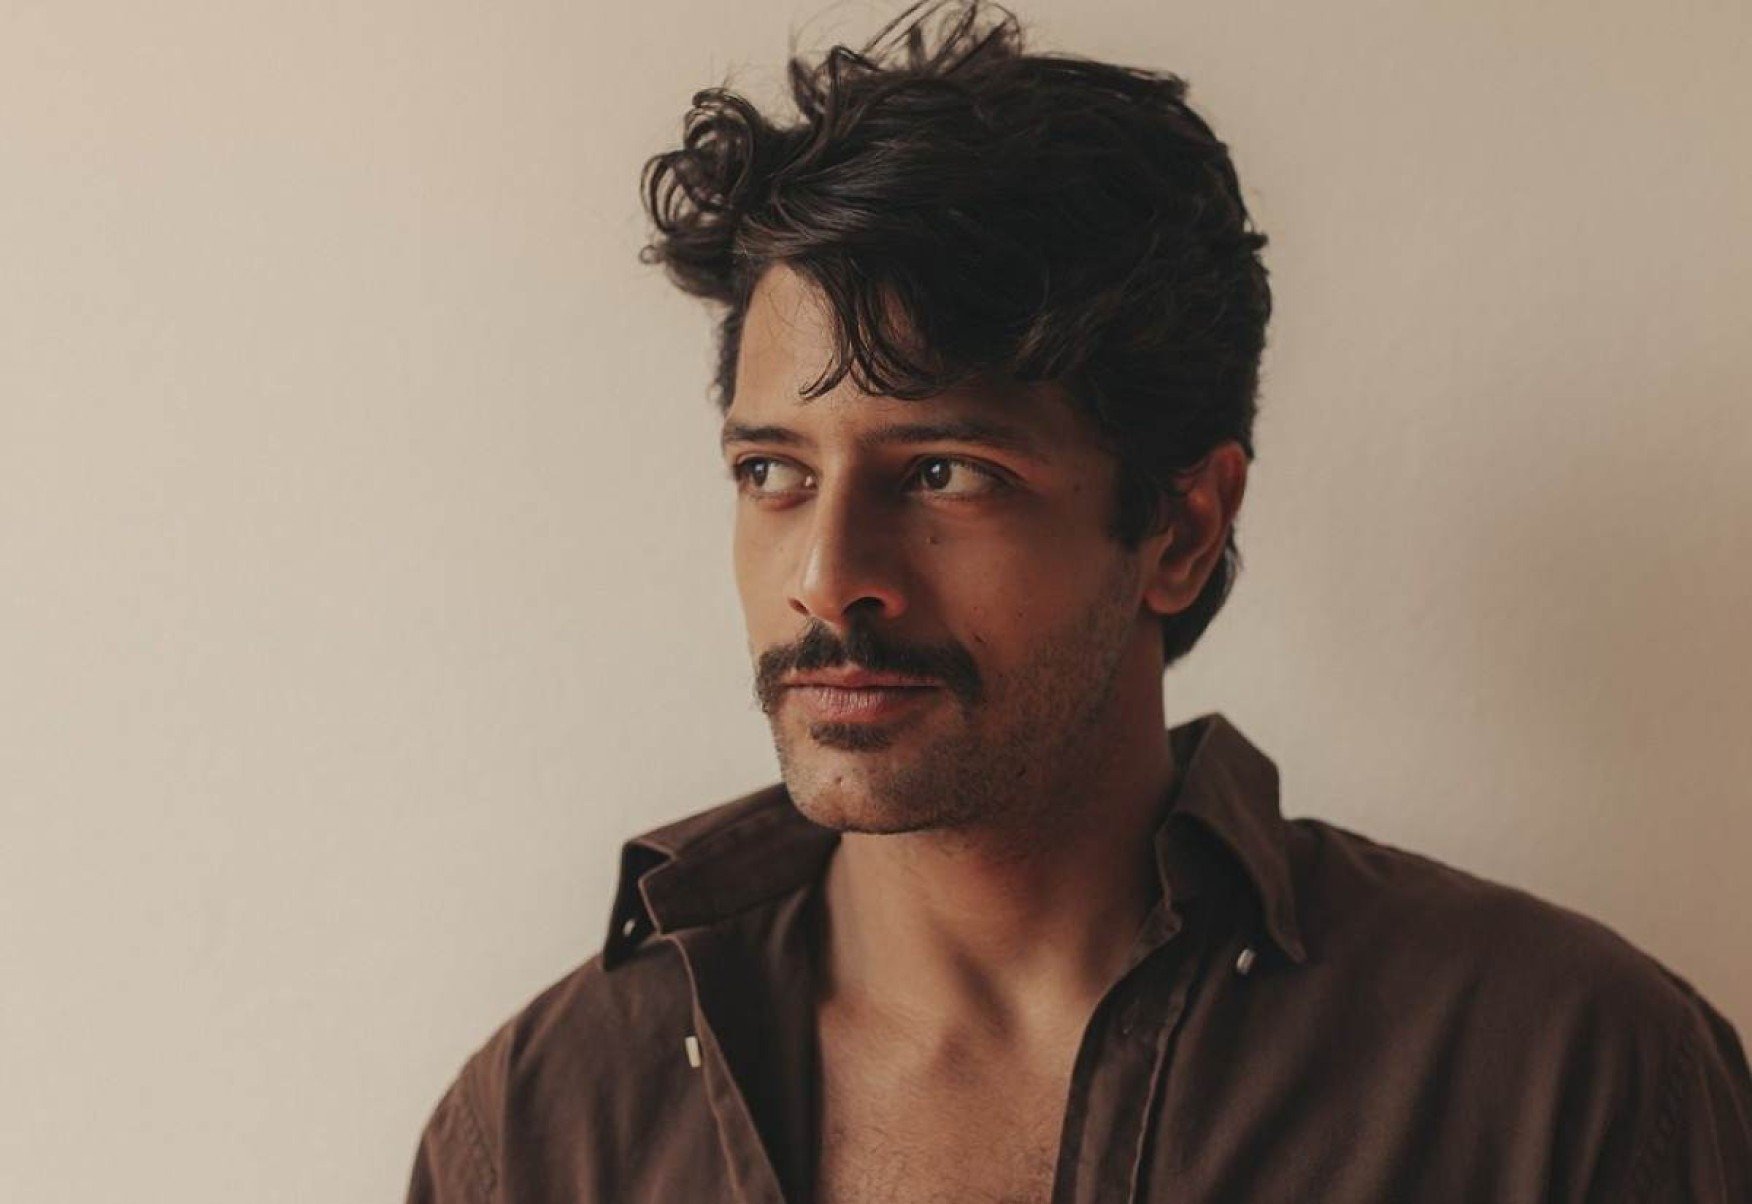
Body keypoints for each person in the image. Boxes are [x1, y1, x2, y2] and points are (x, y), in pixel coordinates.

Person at [404, 2, 1751, 1200]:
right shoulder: (546, 1126)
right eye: (772, 472)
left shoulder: (1559, 1078)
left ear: (1181, 527)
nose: (824, 573)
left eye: (945, 472)